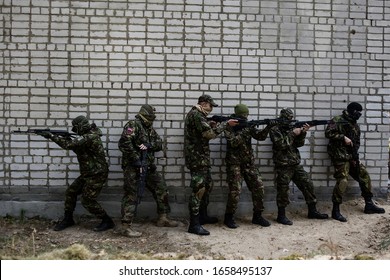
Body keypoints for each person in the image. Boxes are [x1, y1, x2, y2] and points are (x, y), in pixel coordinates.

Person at [40, 116, 115, 232]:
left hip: (97, 174)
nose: (74, 129)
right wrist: (67, 138)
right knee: (71, 192)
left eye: (76, 127)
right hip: (88, 173)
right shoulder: (87, 137)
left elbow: (68, 146)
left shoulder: (90, 136)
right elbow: (78, 147)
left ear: (81, 126)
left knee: (87, 200)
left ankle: (107, 221)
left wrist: (51, 136)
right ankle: (68, 219)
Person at [118, 104, 178, 238]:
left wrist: (149, 145)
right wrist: (136, 160)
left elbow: (159, 144)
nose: (152, 118)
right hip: (133, 167)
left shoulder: (149, 128)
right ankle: (125, 226)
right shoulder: (133, 125)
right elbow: (124, 143)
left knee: (161, 187)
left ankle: (163, 218)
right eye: (151, 116)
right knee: (131, 194)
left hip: (148, 166)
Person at [184, 94, 238, 235]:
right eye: (210, 105)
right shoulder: (196, 115)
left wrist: (212, 124)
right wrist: (225, 125)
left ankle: (202, 216)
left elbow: (203, 131)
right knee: (198, 190)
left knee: (207, 186)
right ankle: (194, 224)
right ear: (204, 103)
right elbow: (209, 135)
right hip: (197, 159)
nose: (211, 109)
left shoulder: (200, 116)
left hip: (202, 158)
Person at [325, 102, 385, 222]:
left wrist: (354, 157)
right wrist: (343, 137)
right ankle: (335, 210)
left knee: (364, 175)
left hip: (351, 157)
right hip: (340, 157)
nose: (359, 115)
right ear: (352, 111)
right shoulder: (337, 120)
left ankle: (369, 204)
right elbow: (328, 133)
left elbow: (356, 142)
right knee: (343, 180)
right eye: (358, 112)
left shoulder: (354, 124)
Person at [269, 108, 329, 225]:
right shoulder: (275, 130)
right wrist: (293, 133)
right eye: (287, 119)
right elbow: (281, 145)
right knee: (283, 191)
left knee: (307, 184)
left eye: (291, 119)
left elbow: (298, 144)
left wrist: (303, 132)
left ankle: (312, 211)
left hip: (295, 164)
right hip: (283, 165)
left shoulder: (292, 128)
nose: (289, 121)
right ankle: (281, 216)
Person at [223, 104, 276, 229]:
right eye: (243, 116)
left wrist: (269, 127)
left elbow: (260, 137)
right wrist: (245, 131)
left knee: (259, 187)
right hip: (234, 163)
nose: (245, 118)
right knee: (235, 191)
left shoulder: (246, 125)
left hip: (248, 163)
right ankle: (229, 217)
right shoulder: (228, 125)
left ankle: (257, 216)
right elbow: (233, 142)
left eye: (246, 115)